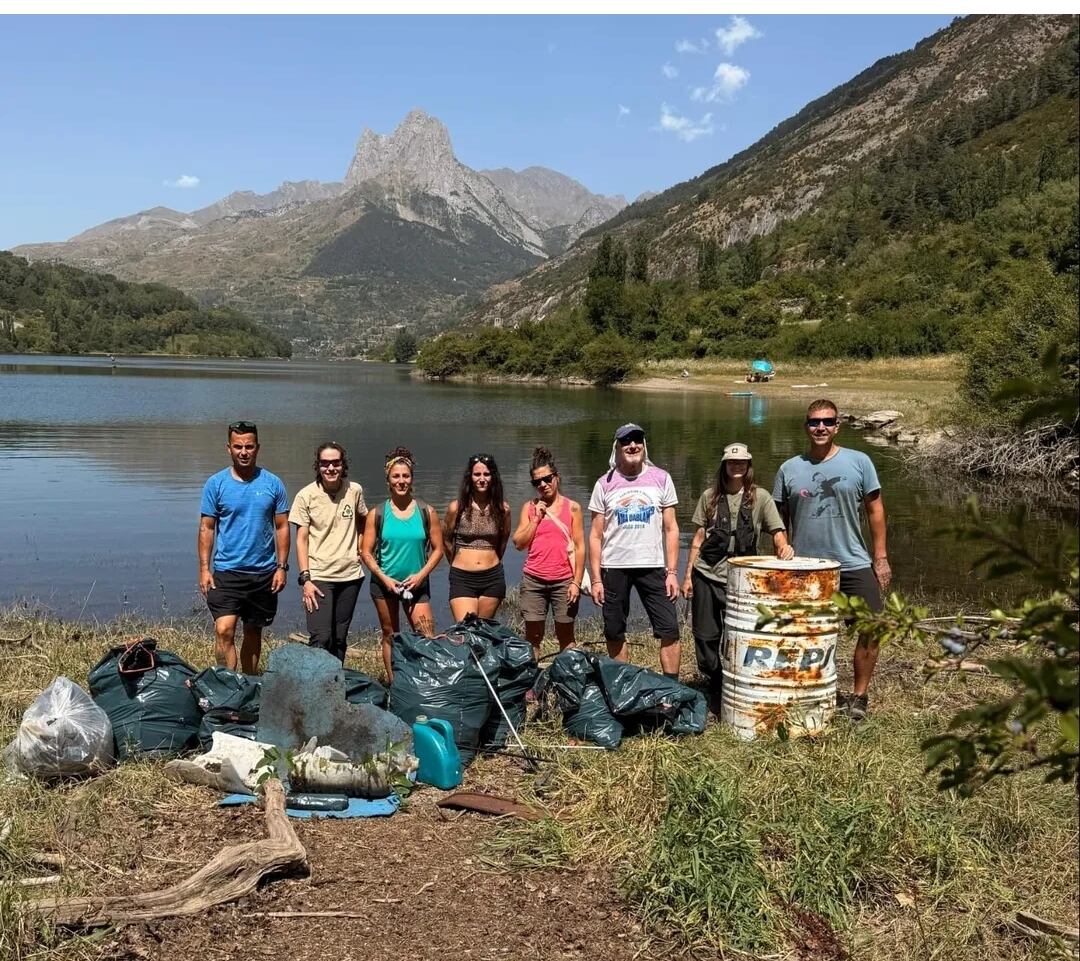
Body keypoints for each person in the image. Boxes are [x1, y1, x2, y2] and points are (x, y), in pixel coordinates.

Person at [772, 399, 891, 721]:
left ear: (837, 425)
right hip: (806, 567)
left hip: (852, 562)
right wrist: (781, 550)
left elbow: (875, 511)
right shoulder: (789, 468)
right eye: (814, 422)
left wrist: (880, 558)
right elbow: (777, 519)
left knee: (872, 627)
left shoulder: (859, 462)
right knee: (804, 632)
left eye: (827, 421)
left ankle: (859, 696)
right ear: (806, 426)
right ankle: (809, 689)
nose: (820, 427)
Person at [682, 443, 793, 700]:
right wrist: (687, 576)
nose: (737, 466)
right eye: (732, 462)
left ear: (748, 466)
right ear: (724, 465)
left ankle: (741, 681)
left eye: (742, 462)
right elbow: (698, 539)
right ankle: (716, 679)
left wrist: (783, 546)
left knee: (743, 633)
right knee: (705, 636)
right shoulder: (709, 497)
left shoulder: (761, 497)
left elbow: (777, 530)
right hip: (707, 574)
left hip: (744, 577)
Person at [588, 423, 682, 679]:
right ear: (617, 447)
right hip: (614, 566)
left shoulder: (661, 478)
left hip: (652, 565)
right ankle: (623, 684)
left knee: (670, 629)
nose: (633, 445)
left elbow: (672, 528)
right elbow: (595, 536)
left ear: (643, 444)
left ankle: (671, 688)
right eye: (626, 441)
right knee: (614, 630)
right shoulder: (603, 484)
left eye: (637, 440)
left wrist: (672, 572)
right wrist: (595, 579)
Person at [198, 420, 289, 674]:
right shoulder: (215, 484)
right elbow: (207, 528)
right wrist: (204, 569)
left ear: (257, 447)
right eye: (238, 446)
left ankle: (248, 683)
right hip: (227, 571)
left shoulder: (273, 483)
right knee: (224, 629)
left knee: (253, 631)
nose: (244, 452)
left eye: (249, 446)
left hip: (263, 573)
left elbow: (282, 527)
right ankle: (227, 683)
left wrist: (281, 567)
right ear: (229, 448)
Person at [360, 447, 444, 682]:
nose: (401, 481)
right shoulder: (377, 513)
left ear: (412, 479)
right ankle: (394, 683)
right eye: (396, 476)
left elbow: (438, 549)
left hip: (416, 585)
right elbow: (366, 552)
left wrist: (421, 575)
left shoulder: (427, 511)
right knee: (390, 634)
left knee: (425, 634)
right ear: (388, 480)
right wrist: (384, 578)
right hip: (384, 584)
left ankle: (425, 683)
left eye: (405, 476)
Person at [288, 441, 368, 663]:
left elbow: (364, 521)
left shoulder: (354, 490)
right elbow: (301, 539)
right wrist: (305, 578)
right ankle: (314, 690)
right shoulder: (306, 495)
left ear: (343, 465)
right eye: (325, 464)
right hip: (319, 577)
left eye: (335, 463)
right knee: (321, 638)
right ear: (318, 466)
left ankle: (335, 688)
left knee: (339, 638)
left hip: (350, 576)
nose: (330, 468)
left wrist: (362, 547)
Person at [511, 446, 586, 658]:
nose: (543, 485)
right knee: (533, 636)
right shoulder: (529, 507)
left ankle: (567, 682)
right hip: (534, 580)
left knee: (566, 636)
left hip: (564, 581)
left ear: (557, 478)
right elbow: (518, 543)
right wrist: (535, 519)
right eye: (537, 482)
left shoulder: (573, 508)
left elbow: (580, 548)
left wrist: (576, 582)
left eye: (547, 479)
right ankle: (532, 687)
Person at [443, 453, 512, 623]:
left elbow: (503, 542)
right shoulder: (456, 508)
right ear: (470, 477)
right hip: (462, 577)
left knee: (483, 633)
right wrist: (457, 561)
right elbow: (445, 540)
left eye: (486, 474)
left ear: (493, 477)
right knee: (466, 630)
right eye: (477, 474)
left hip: (492, 577)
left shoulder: (503, 510)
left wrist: (492, 560)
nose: (482, 479)